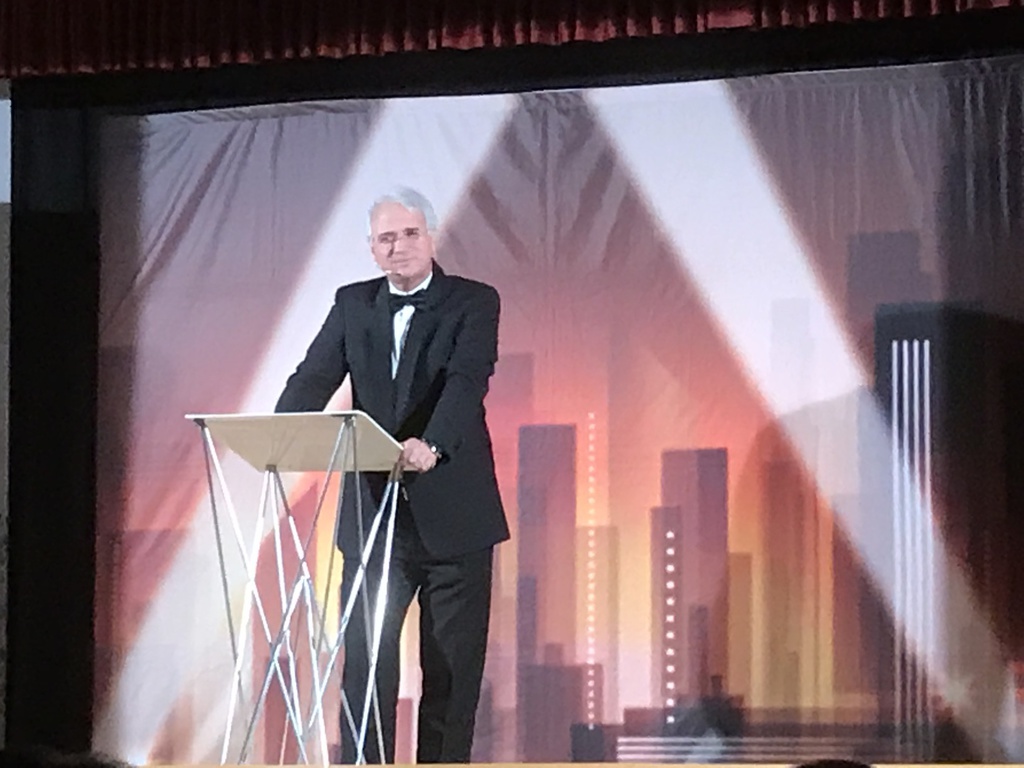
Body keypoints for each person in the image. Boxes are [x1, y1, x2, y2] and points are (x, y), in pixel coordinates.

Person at [275, 187, 509, 763]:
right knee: (365, 667)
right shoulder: (353, 304)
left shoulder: (473, 301)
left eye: (409, 234)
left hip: (455, 517)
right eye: (386, 238)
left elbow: (467, 380)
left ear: (431, 237)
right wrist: (280, 432)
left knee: (450, 673)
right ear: (371, 249)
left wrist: (432, 443)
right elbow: (314, 375)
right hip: (373, 519)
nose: (398, 247)